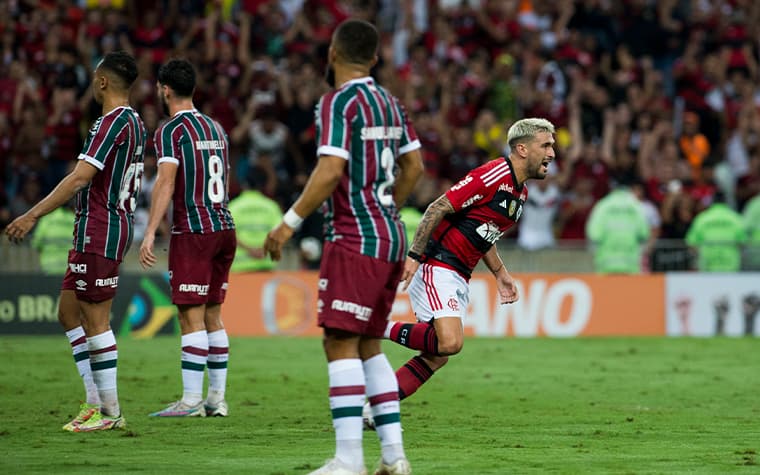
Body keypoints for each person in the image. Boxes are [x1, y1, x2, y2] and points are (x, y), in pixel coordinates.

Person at [263, 19, 424, 475]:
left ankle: (348, 459)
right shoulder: (391, 103)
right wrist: (388, 202)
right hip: (391, 233)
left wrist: (289, 222)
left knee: (339, 342)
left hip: (355, 236)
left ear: (332, 53)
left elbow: (331, 169)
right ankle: (393, 458)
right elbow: (415, 165)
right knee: (370, 345)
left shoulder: (338, 102)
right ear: (374, 59)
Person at [5, 50, 146, 432]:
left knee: (97, 321)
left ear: (102, 82)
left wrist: (32, 213)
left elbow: (80, 177)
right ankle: (94, 401)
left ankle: (110, 412)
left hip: (101, 226)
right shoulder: (134, 122)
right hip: (98, 225)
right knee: (68, 313)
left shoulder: (110, 123)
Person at [376, 118, 554, 409]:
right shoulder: (494, 174)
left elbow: (482, 232)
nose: (552, 154)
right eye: (545, 145)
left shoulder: (519, 192)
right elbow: (438, 207)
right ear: (522, 148)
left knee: (437, 355)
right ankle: (374, 326)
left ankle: (376, 407)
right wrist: (414, 256)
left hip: (459, 273)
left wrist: (499, 272)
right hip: (438, 264)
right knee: (449, 343)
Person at [139, 59, 237, 418]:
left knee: (189, 316)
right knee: (213, 315)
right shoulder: (217, 128)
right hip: (224, 226)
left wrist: (150, 231)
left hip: (194, 231)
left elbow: (165, 181)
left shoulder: (170, 131)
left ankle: (192, 401)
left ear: (164, 89)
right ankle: (216, 399)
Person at [585, 180, 651, 274]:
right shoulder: (636, 206)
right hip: (631, 264)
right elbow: (644, 233)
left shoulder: (602, 205)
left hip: (606, 264)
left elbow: (594, 234)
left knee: (606, 289)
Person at [227, 168, 282, 273]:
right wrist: (263, 249)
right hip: (265, 265)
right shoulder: (271, 206)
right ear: (263, 185)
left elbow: (228, 234)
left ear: (243, 184)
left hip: (240, 268)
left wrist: (250, 250)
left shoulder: (233, 207)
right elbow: (280, 232)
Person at [685, 191, 747, 272]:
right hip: (731, 264)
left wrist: (699, 257)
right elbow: (743, 242)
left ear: (712, 202)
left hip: (707, 264)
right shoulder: (735, 218)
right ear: (726, 202)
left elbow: (691, 243)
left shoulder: (702, 218)